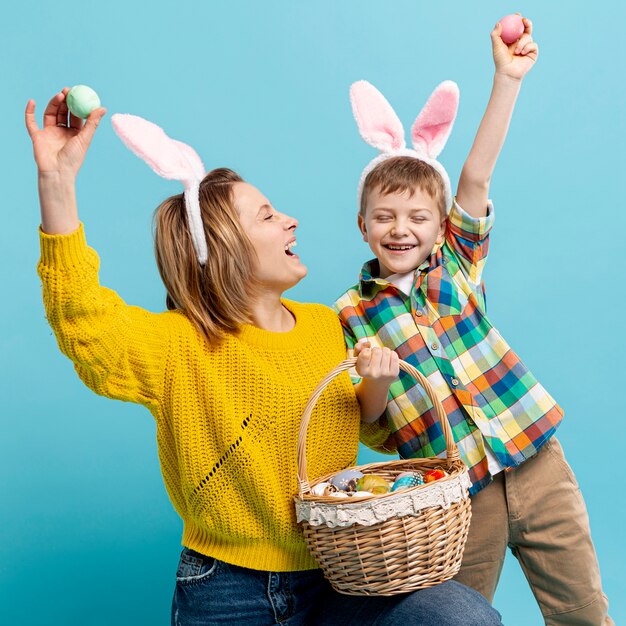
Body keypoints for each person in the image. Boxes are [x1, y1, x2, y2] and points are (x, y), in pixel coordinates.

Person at [25, 89, 503, 626]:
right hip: (226, 591)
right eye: (269, 216)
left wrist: (379, 381)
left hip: (340, 576)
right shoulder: (179, 344)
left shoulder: (328, 326)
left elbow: (368, 429)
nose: (291, 221)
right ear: (226, 247)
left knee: (462, 616)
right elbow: (83, 320)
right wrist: (56, 182)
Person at [334, 18, 613, 625]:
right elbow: (369, 422)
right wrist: (376, 380)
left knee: (582, 607)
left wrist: (506, 79)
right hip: (455, 494)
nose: (400, 229)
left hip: (535, 459)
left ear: (439, 227)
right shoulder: (351, 313)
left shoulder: (455, 267)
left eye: (416, 217)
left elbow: (476, 176)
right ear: (363, 226)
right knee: (456, 615)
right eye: (384, 217)